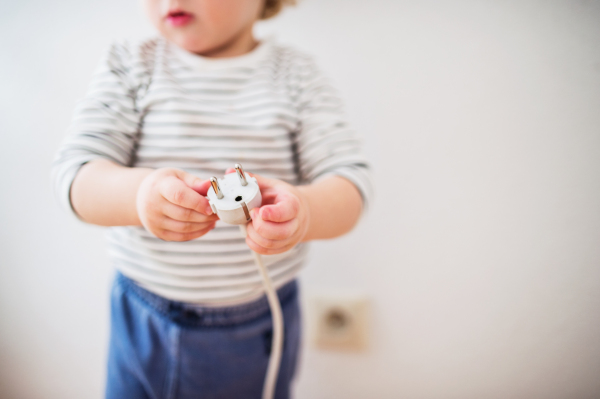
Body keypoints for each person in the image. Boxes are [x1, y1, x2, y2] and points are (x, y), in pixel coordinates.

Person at [52, 0, 372, 398]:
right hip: (141, 314)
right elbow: (77, 177)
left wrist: (304, 212)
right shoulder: (131, 65)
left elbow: (350, 185)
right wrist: (139, 197)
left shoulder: (296, 76)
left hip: (257, 324)